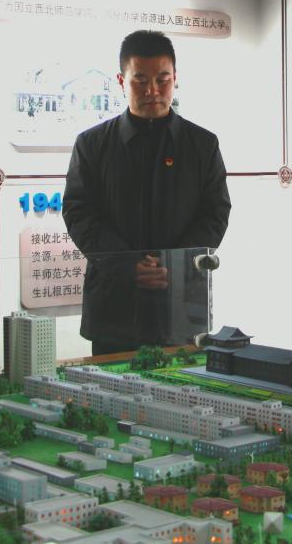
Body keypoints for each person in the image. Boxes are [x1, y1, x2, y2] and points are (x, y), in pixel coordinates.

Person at [64, 30, 231, 355]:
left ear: (175, 79)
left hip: (181, 302)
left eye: (162, 79)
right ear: (121, 80)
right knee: (111, 385)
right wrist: (127, 265)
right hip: (114, 304)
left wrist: (175, 264)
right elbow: (79, 213)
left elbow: (215, 213)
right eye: (140, 80)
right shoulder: (92, 145)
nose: (152, 90)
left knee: (184, 384)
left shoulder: (202, 145)